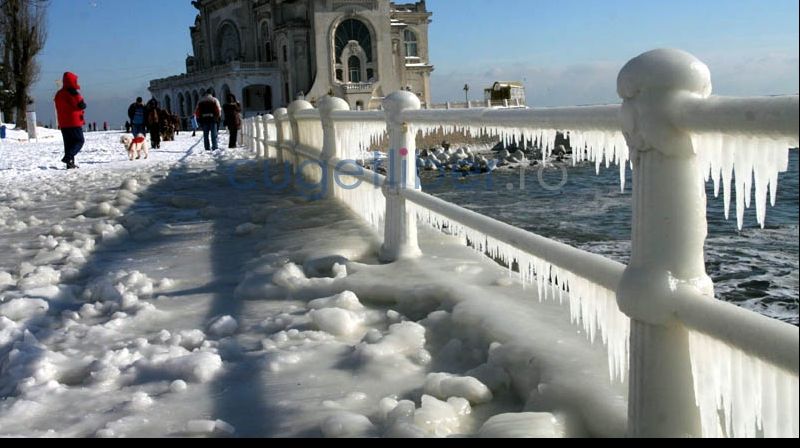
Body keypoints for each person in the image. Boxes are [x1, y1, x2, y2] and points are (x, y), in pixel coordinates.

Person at [54, 72, 87, 169]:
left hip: (63, 122)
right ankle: (68, 158)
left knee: (68, 144)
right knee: (79, 141)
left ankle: (70, 164)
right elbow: (81, 105)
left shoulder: (59, 93)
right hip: (73, 121)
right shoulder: (72, 92)